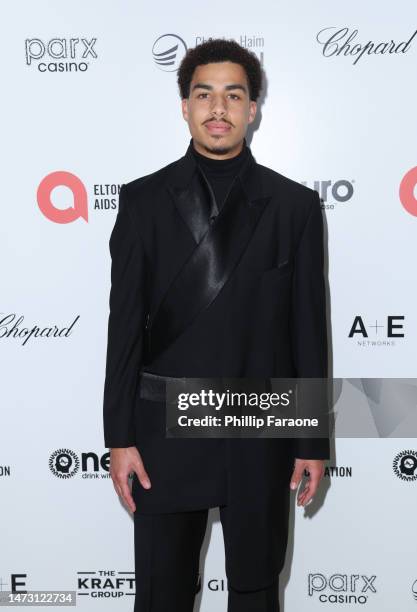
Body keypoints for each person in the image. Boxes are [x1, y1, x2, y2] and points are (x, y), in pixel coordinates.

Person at [103, 38, 330, 612]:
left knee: (256, 589)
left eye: (234, 95)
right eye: (204, 94)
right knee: (162, 592)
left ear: (253, 108)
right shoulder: (143, 202)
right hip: (162, 432)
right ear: (184, 106)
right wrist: (119, 437)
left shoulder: (294, 207)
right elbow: (124, 327)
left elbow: (308, 331)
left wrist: (311, 440)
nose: (219, 108)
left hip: (259, 429)